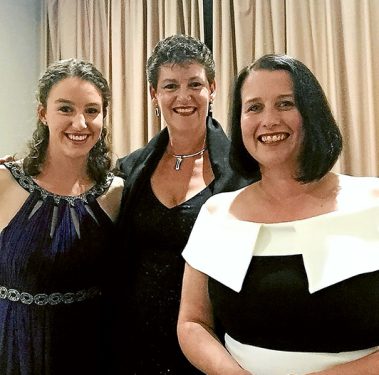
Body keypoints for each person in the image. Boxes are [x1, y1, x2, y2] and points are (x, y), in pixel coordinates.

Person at [177, 54, 379, 374]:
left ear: (312, 113)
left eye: (285, 103)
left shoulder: (374, 200)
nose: (268, 120)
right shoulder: (217, 212)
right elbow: (192, 322)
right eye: (254, 107)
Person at [113, 34, 254, 374]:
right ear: (153, 94)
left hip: (214, 344)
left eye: (195, 84)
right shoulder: (129, 169)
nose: (184, 96)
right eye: (170, 86)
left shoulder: (246, 170)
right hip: (135, 345)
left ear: (213, 88)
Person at [0, 58, 124, 374]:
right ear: (43, 113)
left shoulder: (116, 192)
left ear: (104, 116)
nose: (79, 123)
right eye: (65, 109)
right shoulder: (4, 182)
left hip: (93, 351)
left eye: (92, 111)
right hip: (17, 350)